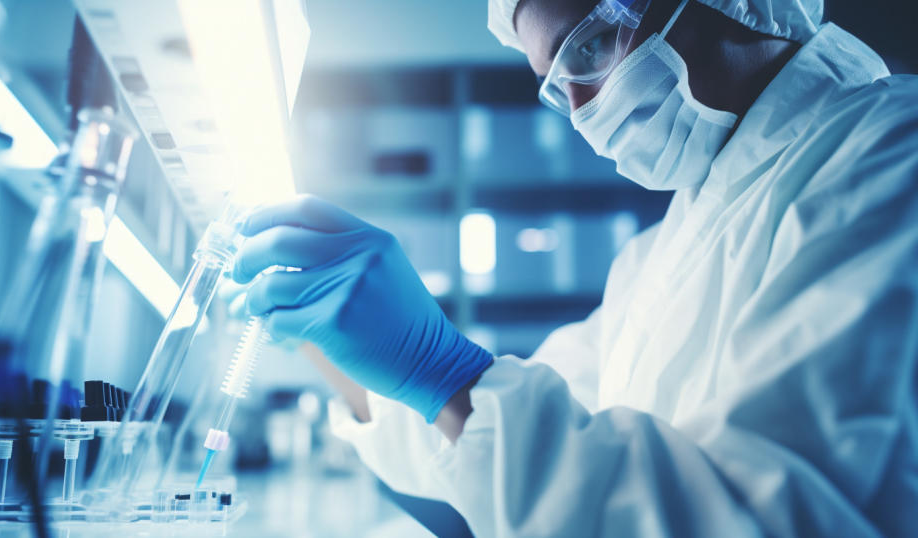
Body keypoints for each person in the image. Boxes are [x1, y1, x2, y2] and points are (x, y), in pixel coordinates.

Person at [232, 0, 918, 534]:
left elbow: (774, 520)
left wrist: (435, 368)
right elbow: (505, 439)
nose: (583, 110)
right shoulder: (659, 254)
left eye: (588, 46)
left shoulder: (891, 154)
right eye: (558, 87)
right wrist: (345, 347)